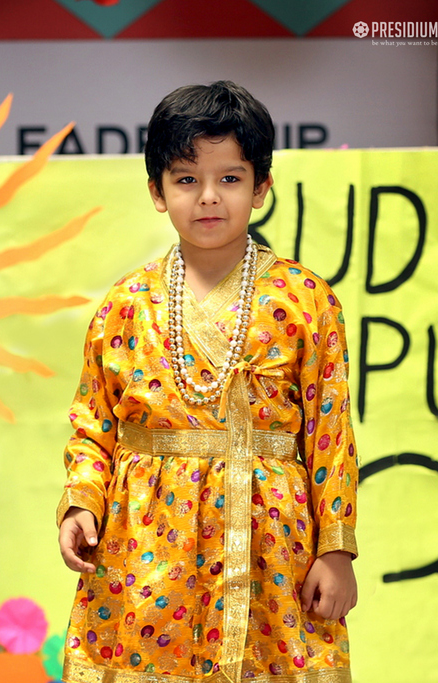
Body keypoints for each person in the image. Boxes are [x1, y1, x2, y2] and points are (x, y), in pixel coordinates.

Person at [56, 81, 358, 682]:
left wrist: (336, 549)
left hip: (273, 548)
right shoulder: (125, 304)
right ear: (157, 192)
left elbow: (331, 434)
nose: (209, 197)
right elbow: (94, 424)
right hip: (147, 547)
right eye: (187, 179)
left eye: (230, 178)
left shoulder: (305, 301)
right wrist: (81, 503)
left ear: (262, 186)